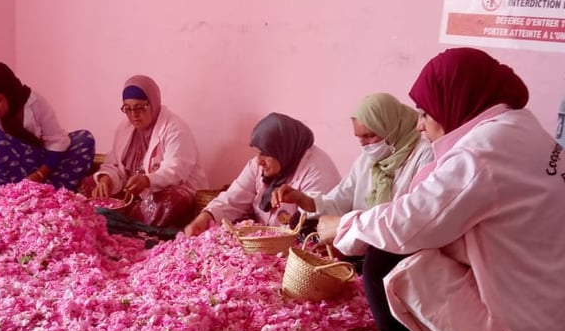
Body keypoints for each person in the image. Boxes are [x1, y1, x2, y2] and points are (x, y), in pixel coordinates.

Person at [316, 47, 565, 331]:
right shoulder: (521, 127)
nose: (420, 125)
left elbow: (409, 224)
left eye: (425, 113)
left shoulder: (480, 153)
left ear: (456, 102)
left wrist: (344, 225)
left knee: (386, 255)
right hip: (549, 312)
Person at [271, 93, 434, 237]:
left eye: (369, 136)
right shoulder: (367, 159)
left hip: (396, 241)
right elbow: (339, 201)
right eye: (359, 137)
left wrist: (353, 234)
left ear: (391, 127)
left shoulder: (423, 154)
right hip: (360, 236)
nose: (363, 144)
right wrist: (301, 198)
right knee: (305, 223)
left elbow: (413, 216)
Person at [0, 62, 95, 210]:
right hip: (7, 172)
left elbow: (57, 141)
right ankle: (6, 197)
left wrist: (39, 175)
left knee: (84, 139)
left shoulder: (35, 103)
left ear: (10, 94)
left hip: (39, 163)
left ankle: (48, 194)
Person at [184, 112, 341, 236]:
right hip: (268, 241)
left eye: (265, 154)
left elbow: (312, 227)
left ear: (283, 150)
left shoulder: (317, 172)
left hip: (300, 249)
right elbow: (233, 198)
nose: (259, 161)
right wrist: (206, 217)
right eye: (257, 153)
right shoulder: (263, 164)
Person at [85, 74, 207, 228]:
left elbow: (176, 171)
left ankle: (127, 224)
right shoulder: (125, 128)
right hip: (133, 194)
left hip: (168, 190)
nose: (133, 115)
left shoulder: (175, 129)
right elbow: (114, 164)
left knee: (172, 199)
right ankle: (123, 219)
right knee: (90, 184)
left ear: (153, 103)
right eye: (127, 108)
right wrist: (106, 180)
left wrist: (148, 180)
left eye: (139, 108)